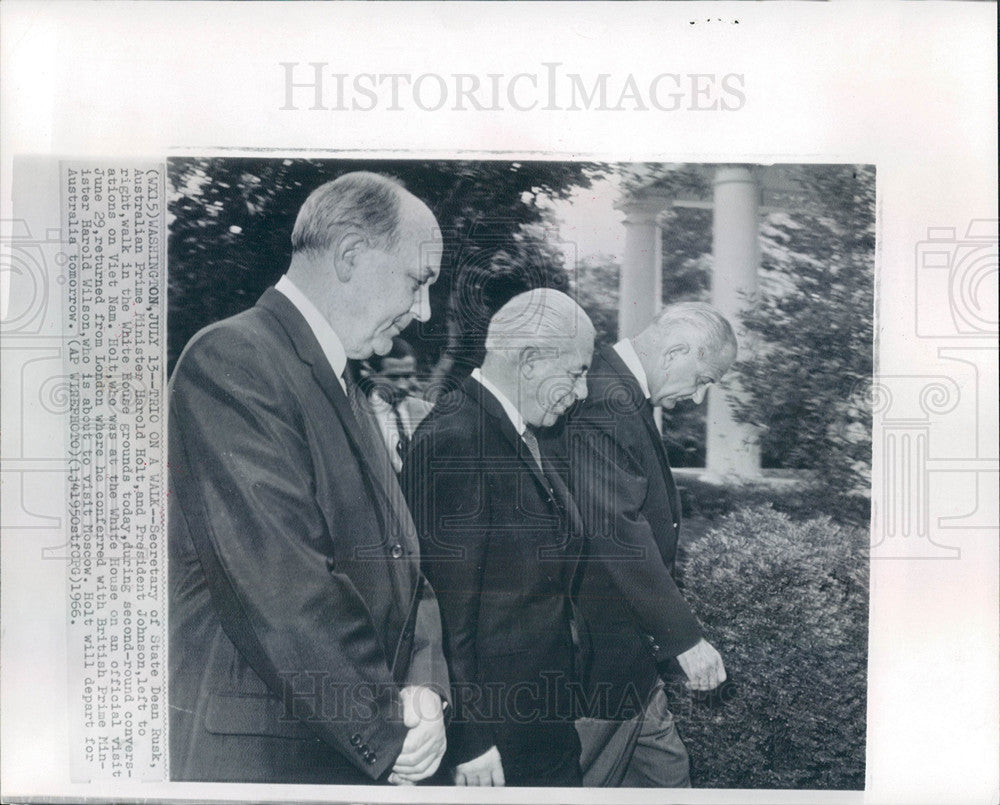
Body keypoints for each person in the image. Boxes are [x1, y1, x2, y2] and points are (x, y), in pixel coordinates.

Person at [168, 172, 450, 785]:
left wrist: (425, 690)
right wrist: (384, 725)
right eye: (418, 281)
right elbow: (284, 584)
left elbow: (406, 564)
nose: (423, 312)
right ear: (351, 255)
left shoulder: (346, 382)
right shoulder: (233, 359)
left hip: (332, 749)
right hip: (264, 762)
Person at [402, 289, 595, 787]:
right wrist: (470, 738)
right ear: (530, 361)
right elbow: (442, 611)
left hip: (540, 725)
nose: (584, 390)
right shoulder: (456, 440)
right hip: (496, 745)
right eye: (576, 372)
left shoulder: (516, 432)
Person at [542, 301, 737, 787]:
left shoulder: (619, 389)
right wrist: (685, 639)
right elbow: (617, 531)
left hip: (631, 657)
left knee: (668, 779)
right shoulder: (607, 397)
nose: (697, 399)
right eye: (705, 379)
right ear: (676, 351)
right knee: (568, 785)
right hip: (600, 655)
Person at [363, 337, 434, 473]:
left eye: (408, 376)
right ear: (371, 374)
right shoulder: (359, 417)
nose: (402, 385)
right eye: (393, 377)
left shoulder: (428, 412)